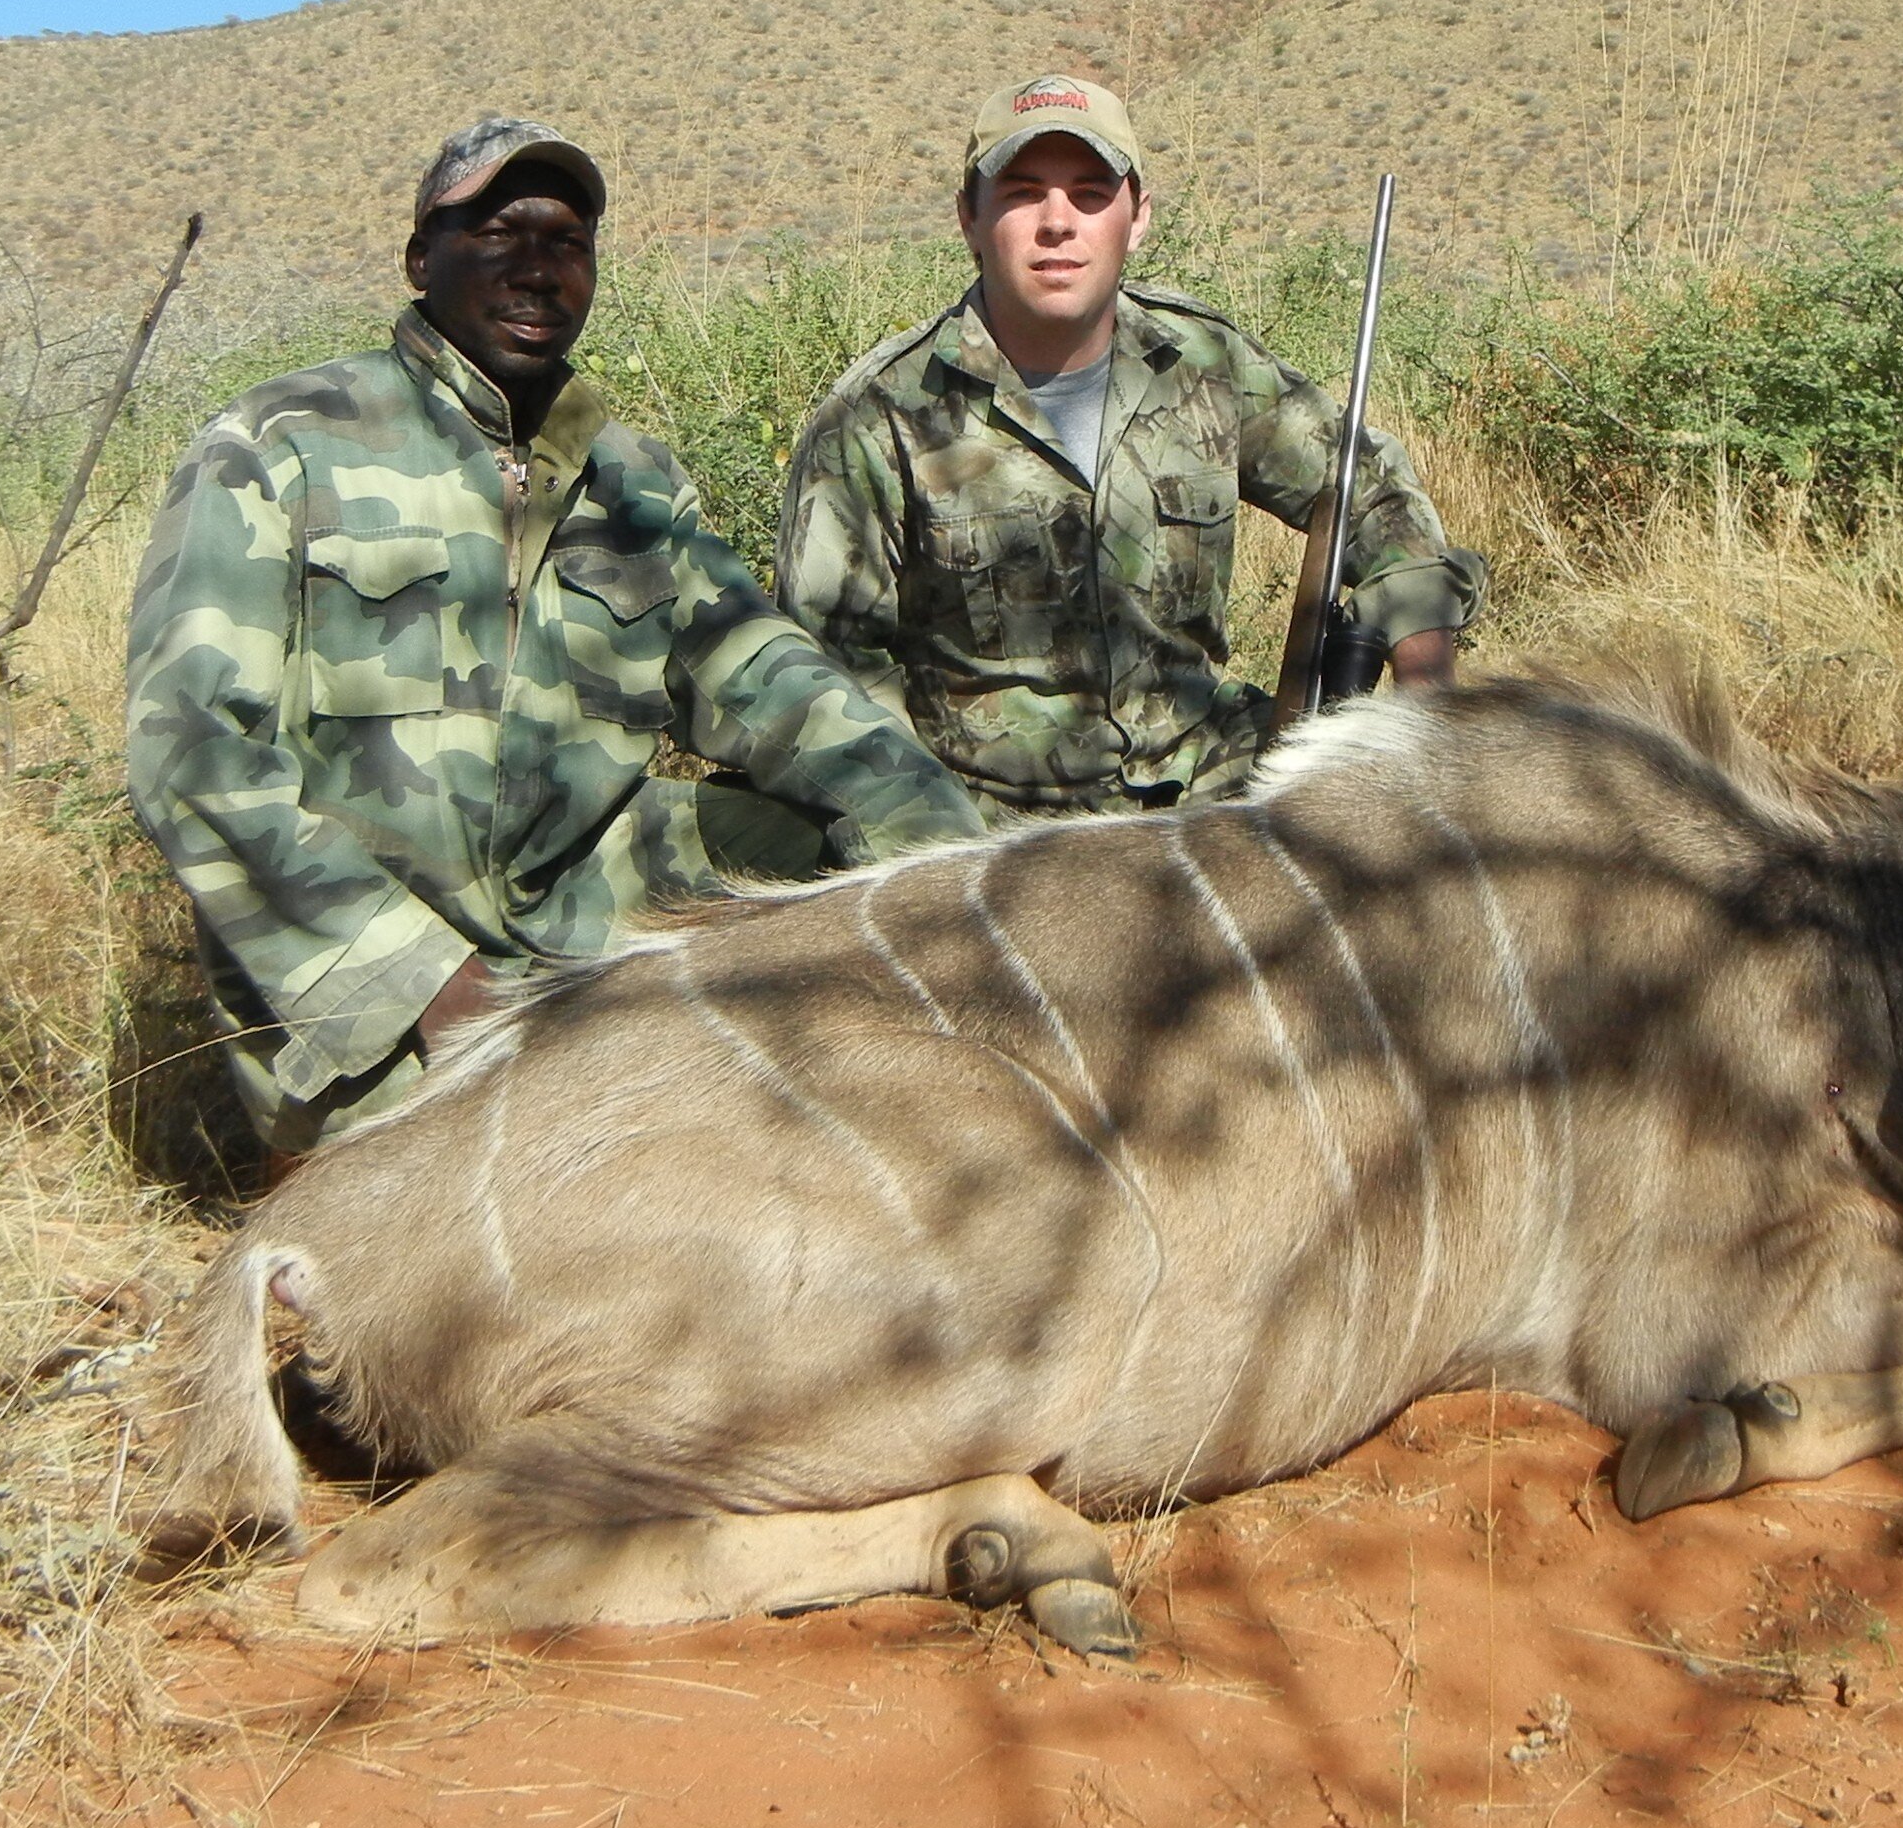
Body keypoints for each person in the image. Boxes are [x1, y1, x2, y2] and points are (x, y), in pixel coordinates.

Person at [127, 114, 986, 1155]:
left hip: (587, 913)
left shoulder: (633, 476)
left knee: (831, 864)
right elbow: (189, 752)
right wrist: (423, 981)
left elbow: (764, 676)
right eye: (496, 234)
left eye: (565, 244)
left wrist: (960, 871)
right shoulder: (280, 444)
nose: (536, 270)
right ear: (420, 257)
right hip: (377, 973)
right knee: (487, 1230)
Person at [777, 72, 1483, 818]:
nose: (1058, 222)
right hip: (989, 826)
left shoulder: (1207, 362)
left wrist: (1424, 692)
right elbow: (824, 677)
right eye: (1022, 193)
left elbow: (1367, 487)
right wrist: (931, 830)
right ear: (969, 219)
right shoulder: (877, 416)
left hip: (1213, 786)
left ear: (1137, 217)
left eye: (1090, 193)